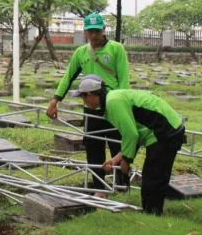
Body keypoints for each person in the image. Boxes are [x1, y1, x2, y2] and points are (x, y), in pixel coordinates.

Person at [70, 75, 185, 215]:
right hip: (164, 130)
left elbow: (131, 134)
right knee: (154, 177)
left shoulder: (113, 102)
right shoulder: (112, 99)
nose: (84, 102)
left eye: (83, 97)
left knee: (153, 178)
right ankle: (152, 214)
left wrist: (126, 161)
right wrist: (116, 159)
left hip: (165, 131)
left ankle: (152, 215)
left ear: (90, 95)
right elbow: (132, 134)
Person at [46, 13, 130, 193]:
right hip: (91, 109)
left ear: (103, 30)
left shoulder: (116, 49)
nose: (93, 35)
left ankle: (122, 184)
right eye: (90, 31)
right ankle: (99, 186)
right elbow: (68, 77)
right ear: (85, 32)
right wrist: (55, 99)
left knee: (118, 146)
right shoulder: (81, 53)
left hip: (114, 107)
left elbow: (124, 79)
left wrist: (124, 104)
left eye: (97, 31)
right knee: (93, 148)